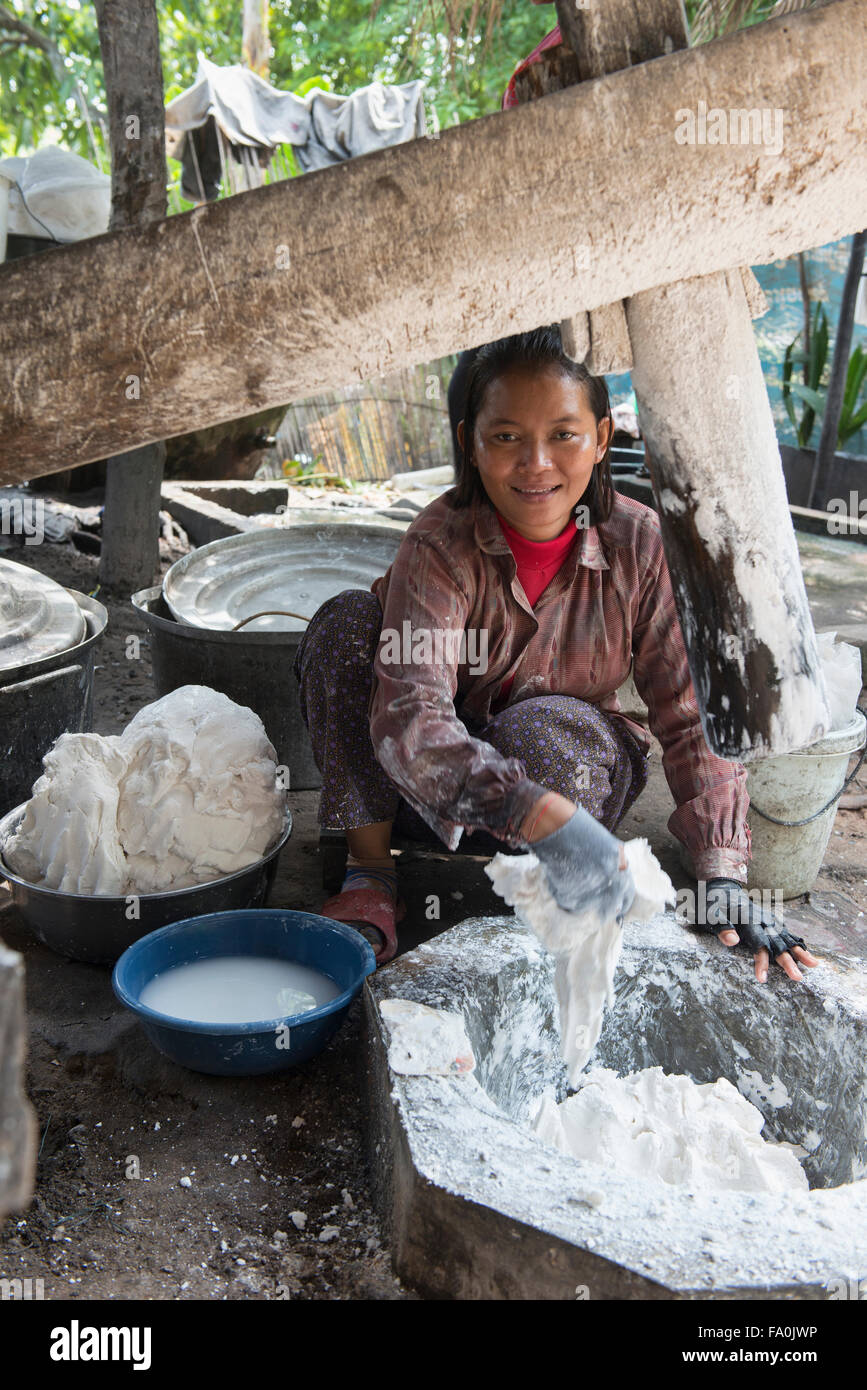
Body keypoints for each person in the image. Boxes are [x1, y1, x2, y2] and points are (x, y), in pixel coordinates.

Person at [294, 327, 819, 983]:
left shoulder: (638, 541)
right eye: (506, 436)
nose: (535, 462)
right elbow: (409, 713)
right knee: (347, 621)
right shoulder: (439, 539)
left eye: (563, 435)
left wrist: (720, 871)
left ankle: (538, 885)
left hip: (563, 777)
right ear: (469, 443)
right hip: (428, 794)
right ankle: (370, 873)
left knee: (538, 729)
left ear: (600, 438)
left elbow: (688, 712)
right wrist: (522, 807)